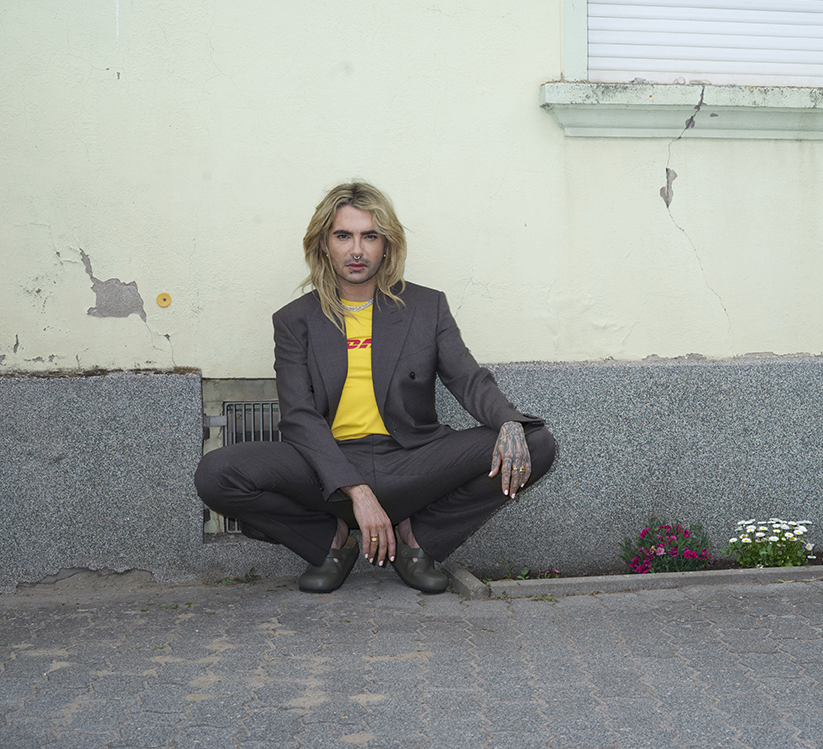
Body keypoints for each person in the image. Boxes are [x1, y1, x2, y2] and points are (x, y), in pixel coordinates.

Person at [194, 181, 556, 593]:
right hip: (328, 465)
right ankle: (330, 541)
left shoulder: (425, 307)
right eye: (343, 236)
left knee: (536, 443)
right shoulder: (295, 320)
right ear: (323, 244)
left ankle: (417, 539)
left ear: (386, 245)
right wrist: (357, 491)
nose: (356, 250)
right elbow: (298, 416)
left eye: (369, 236)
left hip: (411, 460)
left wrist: (507, 422)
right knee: (217, 474)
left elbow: (467, 379)